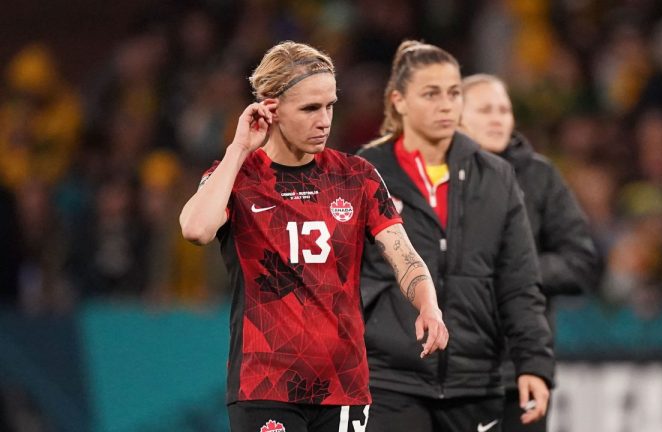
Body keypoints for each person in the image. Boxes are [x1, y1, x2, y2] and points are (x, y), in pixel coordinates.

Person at [179, 41, 448, 432]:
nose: (324, 120)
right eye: (309, 108)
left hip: (342, 385)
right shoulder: (236, 176)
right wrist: (239, 148)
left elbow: (402, 254)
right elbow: (195, 229)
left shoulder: (357, 177)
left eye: (330, 106)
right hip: (264, 383)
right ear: (270, 108)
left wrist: (428, 304)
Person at [357, 40, 553, 432]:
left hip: (474, 378)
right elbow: (340, 277)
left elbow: (519, 280)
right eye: (431, 94)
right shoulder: (364, 170)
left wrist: (533, 362)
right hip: (389, 378)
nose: (446, 105)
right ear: (399, 101)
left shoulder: (496, 176)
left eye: (454, 93)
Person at [460, 73, 599, 432]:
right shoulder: (435, 177)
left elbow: (581, 262)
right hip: (451, 373)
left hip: (520, 367)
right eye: (485, 109)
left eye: (504, 110)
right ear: (457, 117)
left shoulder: (540, 177)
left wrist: (516, 271)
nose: (497, 118)